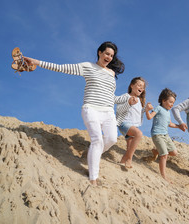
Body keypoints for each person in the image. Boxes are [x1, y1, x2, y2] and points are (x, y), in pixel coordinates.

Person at [24, 41, 134, 186]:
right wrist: (36, 62)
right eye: (107, 53)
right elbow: (62, 68)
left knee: (112, 139)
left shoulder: (111, 74)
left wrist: (127, 100)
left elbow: (110, 97)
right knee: (97, 140)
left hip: (108, 111)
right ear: (99, 53)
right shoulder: (87, 66)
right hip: (91, 109)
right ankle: (93, 178)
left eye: (111, 55)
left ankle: (91, 154)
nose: (109, 57)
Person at [145, 88, 181, 183]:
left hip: (166, 135)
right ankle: (163, 175)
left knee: (174, 153)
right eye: (170, 102)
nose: (172, 104)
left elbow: (169, 124)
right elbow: (149, 117)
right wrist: (147, 110)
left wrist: (179, 126)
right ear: (163, 100)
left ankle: (156, 151)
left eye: (173, 103)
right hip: (157, 134)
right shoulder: (158, 108)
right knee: (164, 155)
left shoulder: (168, 112)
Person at [116, 77, 147, 168]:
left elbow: (137, 113)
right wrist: (128, 103)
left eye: (143, 86)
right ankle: (128, 158)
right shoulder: (126, 96)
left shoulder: (140, 101)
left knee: (130, 147)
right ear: (132, 85)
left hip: (133, 125)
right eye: (139, 85)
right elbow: (118, 110)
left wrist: (146, 109)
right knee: (139, 134)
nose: (141, 87)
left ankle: (123, 162)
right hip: (124, 123)